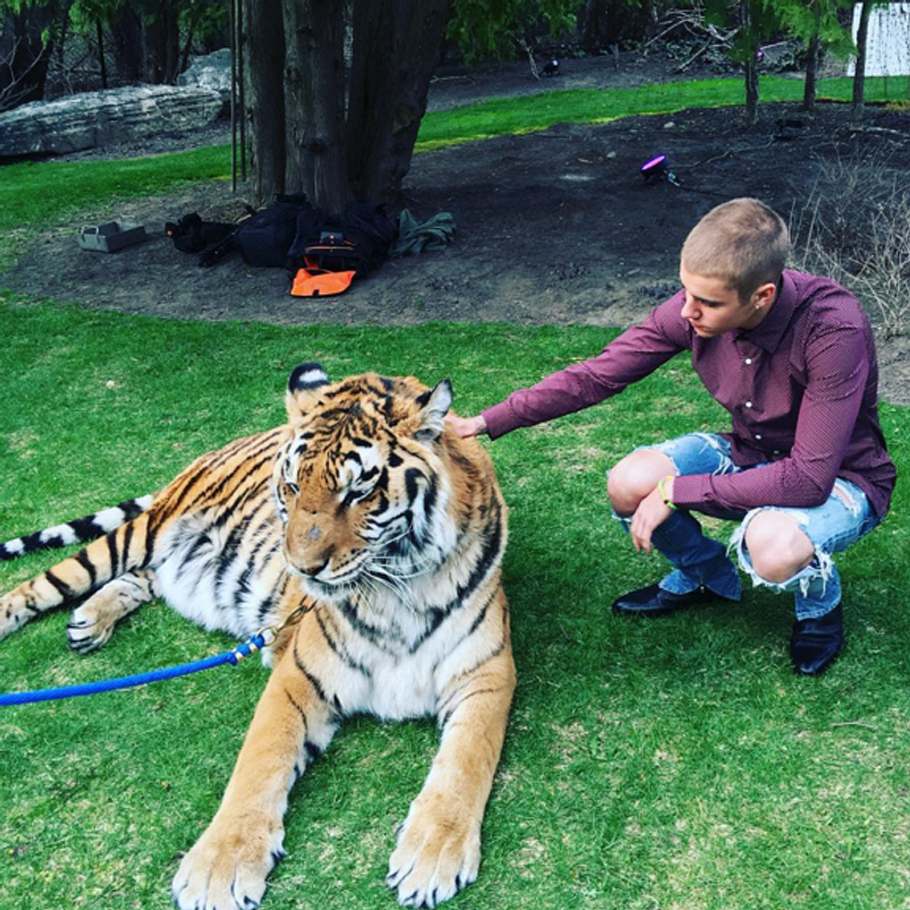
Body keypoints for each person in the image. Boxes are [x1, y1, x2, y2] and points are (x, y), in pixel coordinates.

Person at [447, 198, 896, 676]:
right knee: (628, 481)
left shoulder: (832, 329)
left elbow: (808, 480)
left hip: (841, 480)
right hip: (750, 454)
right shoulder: (694, 308)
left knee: (774, 545)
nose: (687, 312)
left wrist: (678, 491)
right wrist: (487, 421)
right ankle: (708, 576)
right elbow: (598, 376)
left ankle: (819, 605)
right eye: (685, 292)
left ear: (761, 296)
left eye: (707, 303)